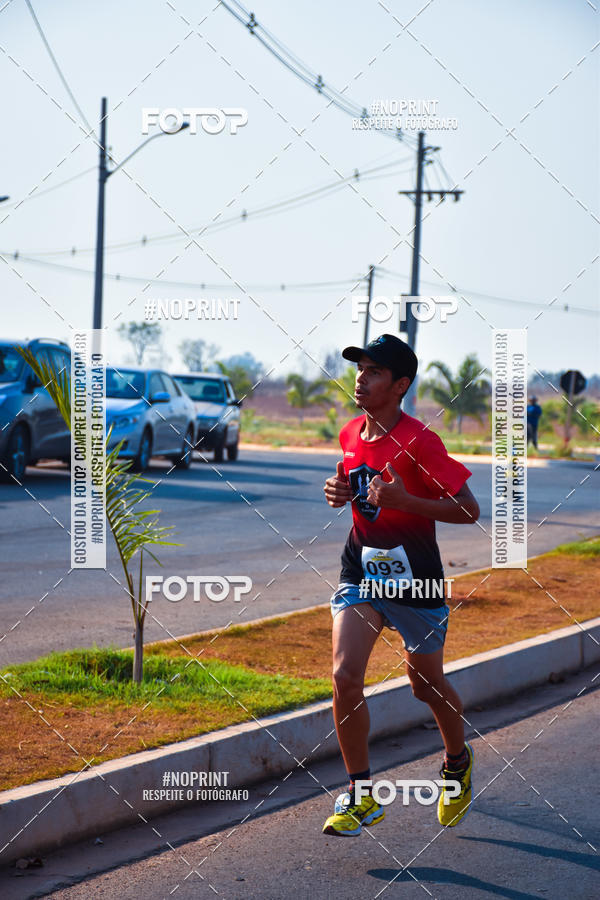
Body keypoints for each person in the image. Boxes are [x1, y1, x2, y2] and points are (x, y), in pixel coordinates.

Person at [322, 334, 480, 837]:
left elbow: (469, 511)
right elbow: (357, 486)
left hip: (418, 581)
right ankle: (361, 794)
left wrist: (405, 501)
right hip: (362, 572)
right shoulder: (349, 433)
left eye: (373, 372)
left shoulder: (421, 441)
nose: (360, 379)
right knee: (345, 677)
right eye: (359, 369)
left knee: (424, 685)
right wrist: (338, 490)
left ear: (400, 385)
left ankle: (457, 761)